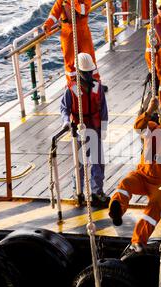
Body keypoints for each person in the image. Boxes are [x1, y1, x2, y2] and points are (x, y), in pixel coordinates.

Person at [109, 99, 161, 253]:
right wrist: (149, 111)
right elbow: (138, 127)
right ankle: (117, 211)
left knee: (155, 206)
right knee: (126, 183)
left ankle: (138, 240)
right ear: (160, 119)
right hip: (142, 175)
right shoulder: (151, 128)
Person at [59, 53, 110, 207]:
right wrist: (66, 122)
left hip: (94, 129)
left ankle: (97, 192)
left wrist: (104, 128)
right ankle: (78, 191)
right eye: (85, 72)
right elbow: (64, 108)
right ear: (79, 72)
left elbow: (103, 109)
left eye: (90, 72)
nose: (88, 75)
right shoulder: (71, 90)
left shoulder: (97, 88)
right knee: (79, 164)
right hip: (79, 131)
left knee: (98, 163)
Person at [43, 0, 104, 86]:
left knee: (89, 58)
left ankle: (96, 85)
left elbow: (83, 10)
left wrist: (72, 1)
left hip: (83, 32)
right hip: (68, 33)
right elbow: (54, 13)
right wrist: (48, 24)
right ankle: (73, 87)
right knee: (70, 63)